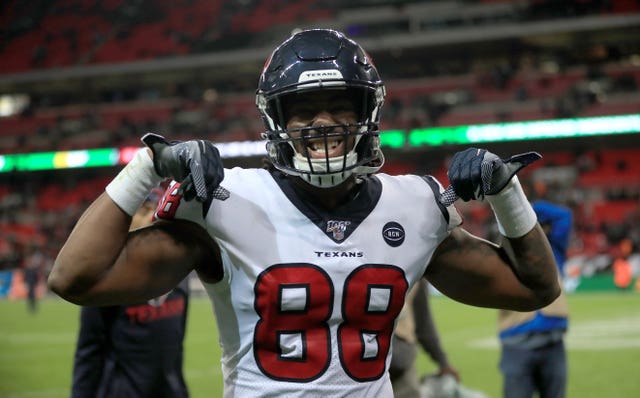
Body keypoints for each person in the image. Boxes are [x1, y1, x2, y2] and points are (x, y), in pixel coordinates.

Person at [48, 29, 561, 397]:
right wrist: (148, 164)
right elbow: (77, 278)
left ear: (368, 114)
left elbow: (536, 289)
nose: (323, 122)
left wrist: (505, 192)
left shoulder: (415, 204)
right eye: (303, 109)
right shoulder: (226, 204)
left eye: (341, 104)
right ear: (277, 121)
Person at [71, 189, 190, 398]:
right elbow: (89, 355)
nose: (151, 216)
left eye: (156, 209)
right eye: (143, 209)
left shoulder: (180, 276)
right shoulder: (107, 280)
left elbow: (175, 352)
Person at [497, 198, 572, 398]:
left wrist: (522, 205)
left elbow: (564, 216)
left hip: (553, 341)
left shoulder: (553, 249)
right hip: (516, 342)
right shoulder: (503, 252)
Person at [390, 279, 459, 398]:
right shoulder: (414, 265)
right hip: (395, 362)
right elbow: (424, 322)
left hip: (399, 365)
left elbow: (423, 322)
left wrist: (443, 361)